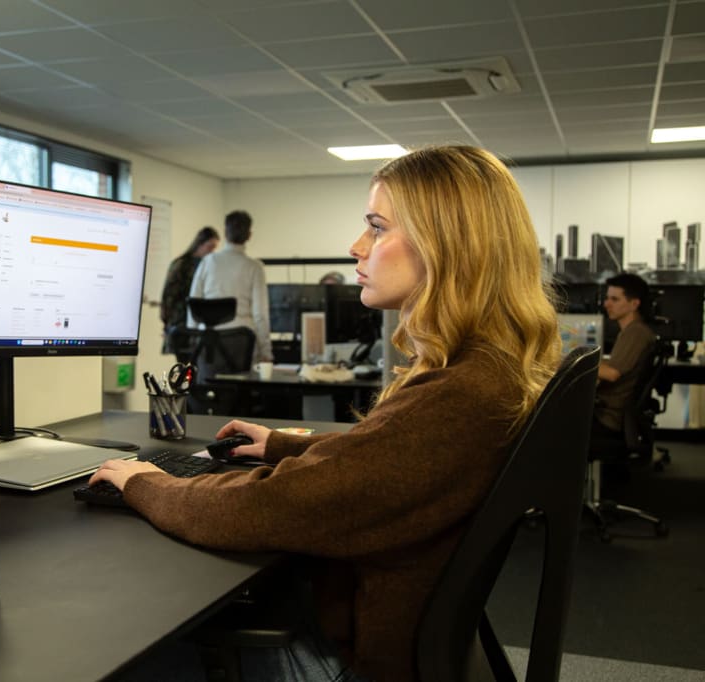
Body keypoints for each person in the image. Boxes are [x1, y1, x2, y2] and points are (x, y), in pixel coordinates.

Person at [91, 145, 561, 681]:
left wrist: (148, 484)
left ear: (449, 245)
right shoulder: (487, 371)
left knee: (120, 648)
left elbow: (267, 506)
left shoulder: (459, 396)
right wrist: (283, 445)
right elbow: (385, 459)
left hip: (349, 662)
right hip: (389, 634)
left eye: (377, 228)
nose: (356, 246)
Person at [187, 210, 273, 364]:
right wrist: (266, 351)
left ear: (225, 233)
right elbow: (260, 314)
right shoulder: (254, 267)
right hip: (242, 342)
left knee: (208, 379)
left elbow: (193, 304)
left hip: (208, 342)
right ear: (249, 235)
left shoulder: (208, 262)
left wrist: (192, 339)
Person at [593, 273, 656, 437]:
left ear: (634, 304)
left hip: (608, 418)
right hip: (608, 414)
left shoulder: (636, 333)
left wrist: (569, 363)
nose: (606, 304)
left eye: (614, 299)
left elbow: (612, 374)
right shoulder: (631, 331)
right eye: (607, 298)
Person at [159, 226, 220, 351]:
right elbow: (168, 296)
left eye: (214, 248)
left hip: (200, 322)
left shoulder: (208, 265)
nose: (212, 251)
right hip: (180, 320)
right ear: (200, 244)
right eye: (210, 247)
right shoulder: (181, 264)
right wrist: (166, 324)